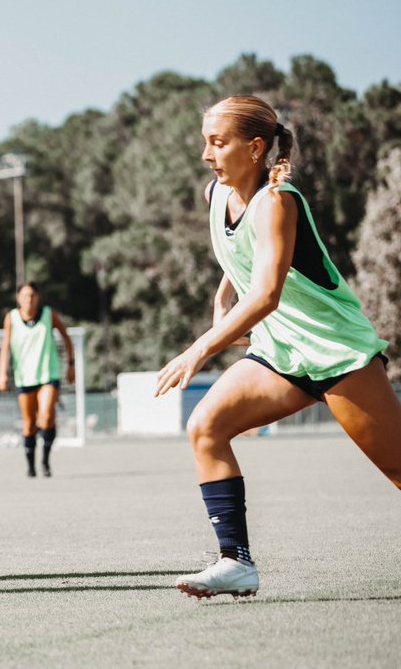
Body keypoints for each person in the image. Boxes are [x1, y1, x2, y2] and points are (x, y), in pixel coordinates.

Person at [155, 95, 401, 599]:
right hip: (280, 352)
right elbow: (240, 257)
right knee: (205, 427)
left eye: (218, 143)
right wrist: (223, 297)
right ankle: (235, 562)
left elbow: (267, 293)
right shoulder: (216, 195)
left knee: (399, 469)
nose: (207, 153)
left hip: (336, 352)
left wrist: (199, 348)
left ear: (256, 147)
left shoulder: (278, 201)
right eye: (206, 142)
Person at [0, 282, 75, 478]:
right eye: (25, 295)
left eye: (32, 295)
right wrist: (2, 373)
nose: (28, 299)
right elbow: (6, 346)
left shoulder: (49, 315)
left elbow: (66, 337)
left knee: (47, 416)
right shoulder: (11, 318)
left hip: (49, 374)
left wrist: (71, 365)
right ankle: (30, 465)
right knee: (29, 424)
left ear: (38, 297)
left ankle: (45, 461)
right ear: (18, 298)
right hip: (24, 376)